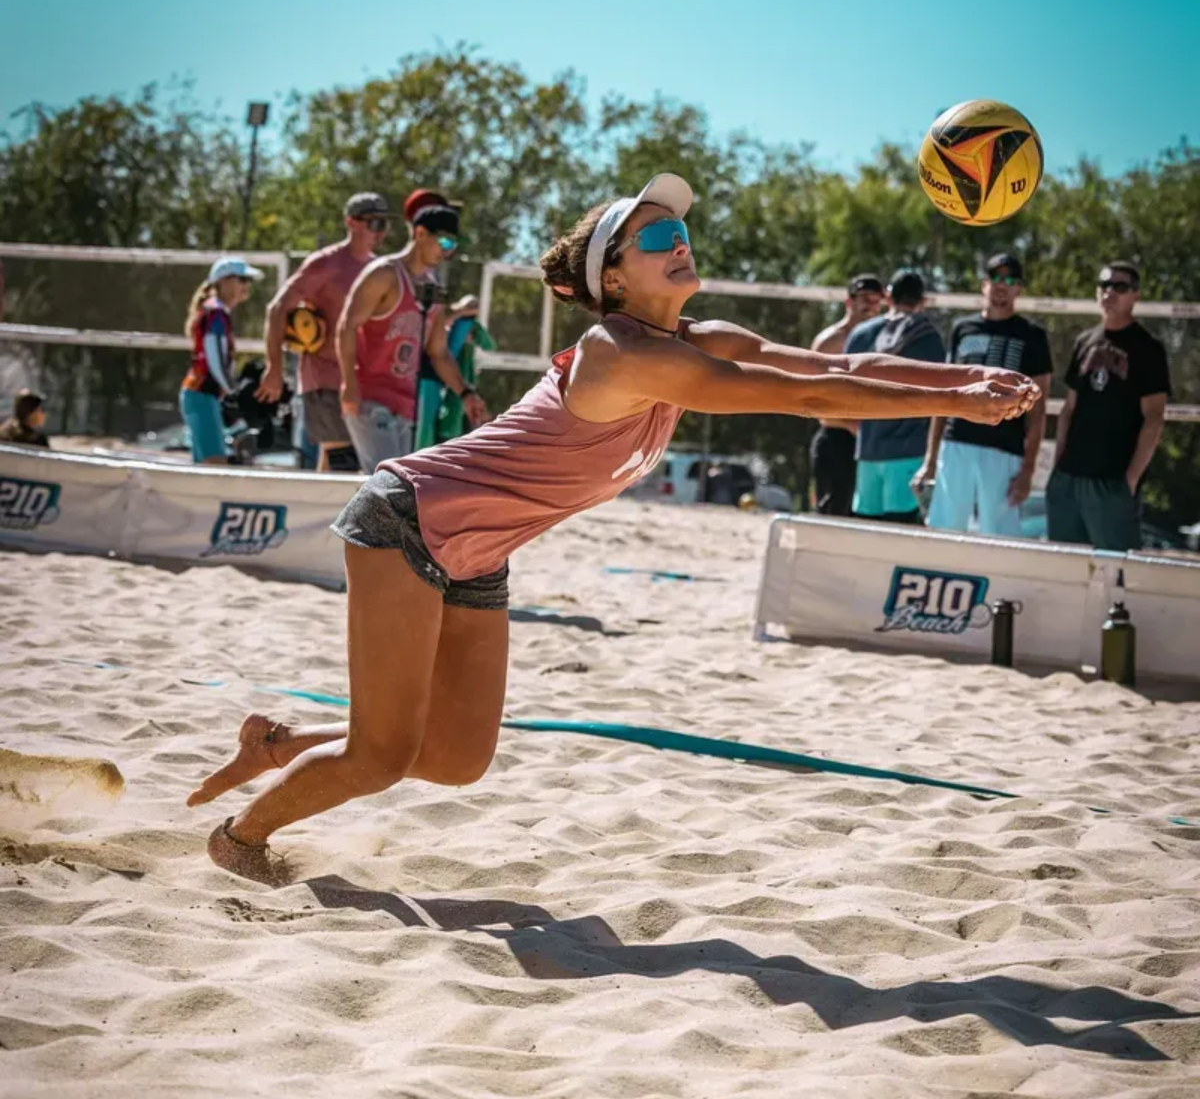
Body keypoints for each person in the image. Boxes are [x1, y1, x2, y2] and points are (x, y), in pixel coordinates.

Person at [186, 173, 1037, 884]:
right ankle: (240, 841)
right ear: (616, 279)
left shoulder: (701, 340)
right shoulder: (622, 355)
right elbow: (812, 400)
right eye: (655, 233)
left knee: (452, 758)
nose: (677, 240)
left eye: (678, 229)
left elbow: (838, 365)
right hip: (408, 518)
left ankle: (280, 745)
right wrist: (958, 405)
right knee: (381, 756)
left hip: (479, 550)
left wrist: (970, 373)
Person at [335, 191, 488, 472]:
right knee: (386, 487)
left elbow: (438, 352)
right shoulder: (384, 274)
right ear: (419, 233)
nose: (447, 250)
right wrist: (349, 384)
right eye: (443, 241)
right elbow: (347, 326)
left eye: (453, 245)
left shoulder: (432, 289)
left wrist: (466, 394)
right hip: (371, 399)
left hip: (406, 405)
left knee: (393, 489)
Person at [915, 253, 1053, 536]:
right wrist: (929, 461)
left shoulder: (1032, 335)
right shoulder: (962, 328)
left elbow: (1037, 411)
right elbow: (945, 391)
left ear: (1018, 288)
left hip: (1004, 451)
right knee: (944, 531)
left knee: (1001, 538)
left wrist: (1028, 471)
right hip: (957, 445)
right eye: (996, 277)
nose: (1002, 285)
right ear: (984, 284)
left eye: (1010, 279)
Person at [258, 193, 393, 471]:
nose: (381, 231)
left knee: (339, 466)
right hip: (324, 380)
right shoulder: (325, 263)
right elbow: (277, 309)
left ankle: (319, 516)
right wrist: (274, 367)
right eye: (374, 223)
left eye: (385, 224)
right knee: (341, 461)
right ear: (351, 223)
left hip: (359, 383)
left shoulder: (378, 269)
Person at [1046, 261, 1171, 551]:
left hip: (1112, 482)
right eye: (1104, 285)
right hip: (1068, 479)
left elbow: (1154, 419)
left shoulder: (1147, 348)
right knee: (1065, 571)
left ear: (1135, 295)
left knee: (1116, 574)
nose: (1110, 292)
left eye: (1120, 286)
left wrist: (1130, 480)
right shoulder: (1084, 341)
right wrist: (1058, 468)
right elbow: (1069, 409)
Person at [844, 269, 945, 523]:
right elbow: (941, 397)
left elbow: (843, 388)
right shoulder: (928, 336)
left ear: (888, 297)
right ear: (922, 301)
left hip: (868, 451)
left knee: (867, 532)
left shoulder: (861, 334)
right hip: (908, 452)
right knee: (900, 536)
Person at [808, 274, 884, 515]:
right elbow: (813, 401)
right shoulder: (830, 342)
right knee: (832, 517)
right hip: (838, 440)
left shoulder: (884, 340)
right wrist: (854, 427)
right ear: (849, 302)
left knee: (866, 522)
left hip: (874, 445)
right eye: (864, 298)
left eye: (876, 299)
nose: (870, 305)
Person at [180, 257, 263, 465]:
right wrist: (233, 390)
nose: (246, 286)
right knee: (215, 464)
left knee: (206, 465)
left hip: (201, 396)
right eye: (242, 279)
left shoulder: (216, 310)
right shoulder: (216, 312)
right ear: (224, 281)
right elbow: (214, 357)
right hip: (201, 396)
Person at [415, 293, 499, 449]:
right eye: (469, 306)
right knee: (424, 425)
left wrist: (473, 335)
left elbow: (491, 345)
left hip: (453, 379)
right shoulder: (444, 317)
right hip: (433, 375)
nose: (472, 309)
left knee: (449, 423)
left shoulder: (469, 325)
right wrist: (459, 312)